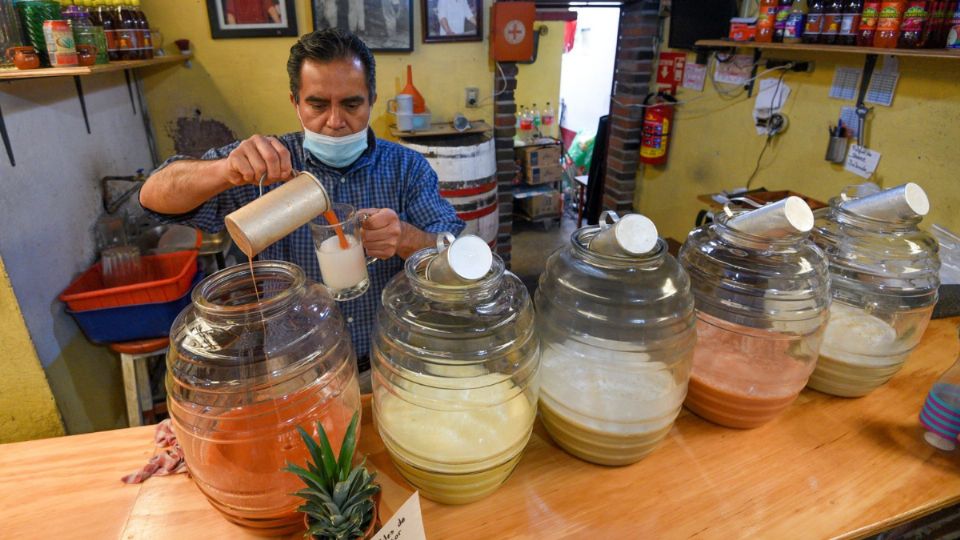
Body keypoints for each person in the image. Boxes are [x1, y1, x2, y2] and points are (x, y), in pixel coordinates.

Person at [139, 29, 465, 390]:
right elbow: (154, 197)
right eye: (318, 105)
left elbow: (457, 261)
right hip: (294, 370)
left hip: (391, 363)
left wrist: (405, 237)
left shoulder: (407, 168)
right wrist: (224, 171)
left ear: (372, 99)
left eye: (352, 104)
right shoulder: (263, 166)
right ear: (295, 102)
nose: (336, 121)